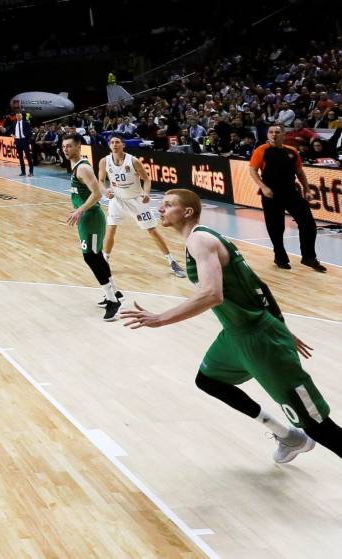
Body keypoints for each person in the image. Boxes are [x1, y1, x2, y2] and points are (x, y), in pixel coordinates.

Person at [120, 190, 341, 464]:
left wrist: (159, 319)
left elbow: (212, 295)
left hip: (260, 339)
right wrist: (282, 326)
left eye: (168, 205)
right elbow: (260, 286)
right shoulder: (201, 238)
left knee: (318, 425)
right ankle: (287, 435)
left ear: (187, 212)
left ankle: (300, 434)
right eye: (161, 204)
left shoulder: (200, 240)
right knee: (209, 380)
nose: (160, 208)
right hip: (237, 335)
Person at [98, 135, 186, 278]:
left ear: (123, 145)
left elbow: (146, 179)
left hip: (137, 201)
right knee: (111, 229)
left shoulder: (133, 161)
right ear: (109, 145)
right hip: (117, 200)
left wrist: (146, 193)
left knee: (152, 230)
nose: (114, 145)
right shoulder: (104, 161)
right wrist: (105, 191)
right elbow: (100, 181)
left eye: (117, 142)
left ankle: (172, 262)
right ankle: (104, 261)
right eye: (112, 142)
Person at [248, 125, 326, 272]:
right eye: (271, 132)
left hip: (291, 191)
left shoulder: (292, 151)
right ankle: (280, 257)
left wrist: (307, 189)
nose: (274, 135)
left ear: (283, 134)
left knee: (308, 223)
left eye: (277, 132)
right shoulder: (261, 150)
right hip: (271, 193)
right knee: (276, 227)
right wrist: (263, 187)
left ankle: (309, 257)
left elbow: (300, 172)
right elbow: (252, 170)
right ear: (268, 134)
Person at [62, 133, 122, 321]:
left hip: (92, 217)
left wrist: (79, 210)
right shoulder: (74, 165)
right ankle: (115, 292)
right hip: (85, 217)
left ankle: (113, 300)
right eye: (64, 146)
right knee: (95, 256)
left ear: (79, 147)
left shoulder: (83, 168)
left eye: (69, 146)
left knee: (91, 257)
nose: (66, 150)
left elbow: (97, 194)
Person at [12, 112, 34, 176]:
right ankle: (23, 172)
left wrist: (28, 140)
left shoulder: (26, 123)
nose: (18, 117)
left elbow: (30, 133)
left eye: (20, 116)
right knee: (20, 157)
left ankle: (31, 172)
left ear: (22, 116)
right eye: (17, 116)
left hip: (24, 141)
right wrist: (12, 134)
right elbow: (11, 130)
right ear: (16, 117)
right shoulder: (14, 123)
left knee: (28, 157)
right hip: (18, 141)